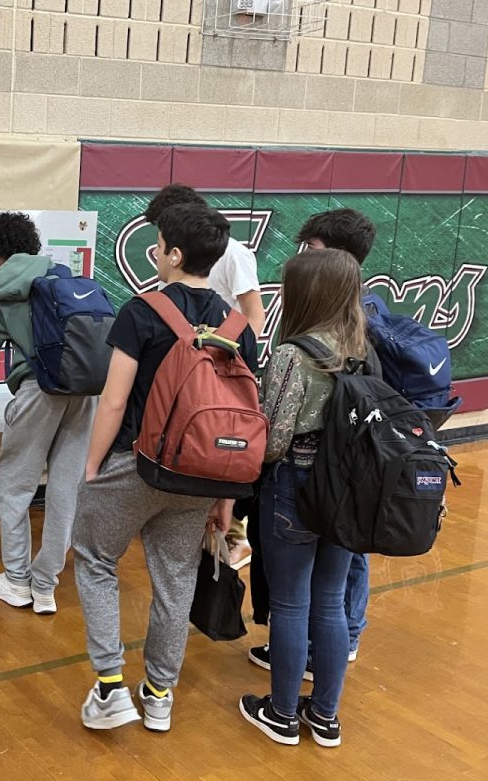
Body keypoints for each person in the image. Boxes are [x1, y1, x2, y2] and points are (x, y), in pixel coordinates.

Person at [75, 203, 257, 733]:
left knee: (93, 557)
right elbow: (242, 416)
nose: (154, 252)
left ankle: (110, 686)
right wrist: (226, 497)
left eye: (157, 245)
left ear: (175, 255)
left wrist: (91, 466)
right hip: (203, 473)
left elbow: (113, 401)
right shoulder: (237, 326)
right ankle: (158, 696)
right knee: (175, 580)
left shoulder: (141, 312)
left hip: (135, 463)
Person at [240, 248, 369, 748]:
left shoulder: (295, 354)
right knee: (331, 602)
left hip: (294, 489)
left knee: (291, 605)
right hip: (347, 493)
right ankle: (326, 717)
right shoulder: (362, 346)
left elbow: (271, 441)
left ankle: (281, 714)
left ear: (304, 294)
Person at [0, 212, 96, 615]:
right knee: (66, 493)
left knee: (16, 488)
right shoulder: (61, 274)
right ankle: (45, 586)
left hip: (38, 392)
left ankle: (15, 582)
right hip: (86, 392)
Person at [144, 184, 265, 569]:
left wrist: (237, 364)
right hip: (187, 370)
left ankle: (234, 539)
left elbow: (254, 315)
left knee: (222, 448)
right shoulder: (180, 266)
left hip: (222, 369)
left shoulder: (233, 256)